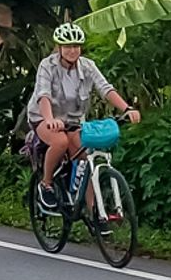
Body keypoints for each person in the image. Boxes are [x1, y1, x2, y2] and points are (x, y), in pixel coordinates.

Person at [26, 22, 140, 214]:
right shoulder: (47, 66)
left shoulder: (88, 66)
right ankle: (46, 184)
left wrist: (127, 108)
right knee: (60, 142)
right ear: (59, 48)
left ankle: (96, 213)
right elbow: (43, 95)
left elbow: (106, 89)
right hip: (44, 117)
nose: (73, 51)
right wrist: (49, 120)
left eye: (76, 46)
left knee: (84, 162)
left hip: (73, 120)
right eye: (68, 46)